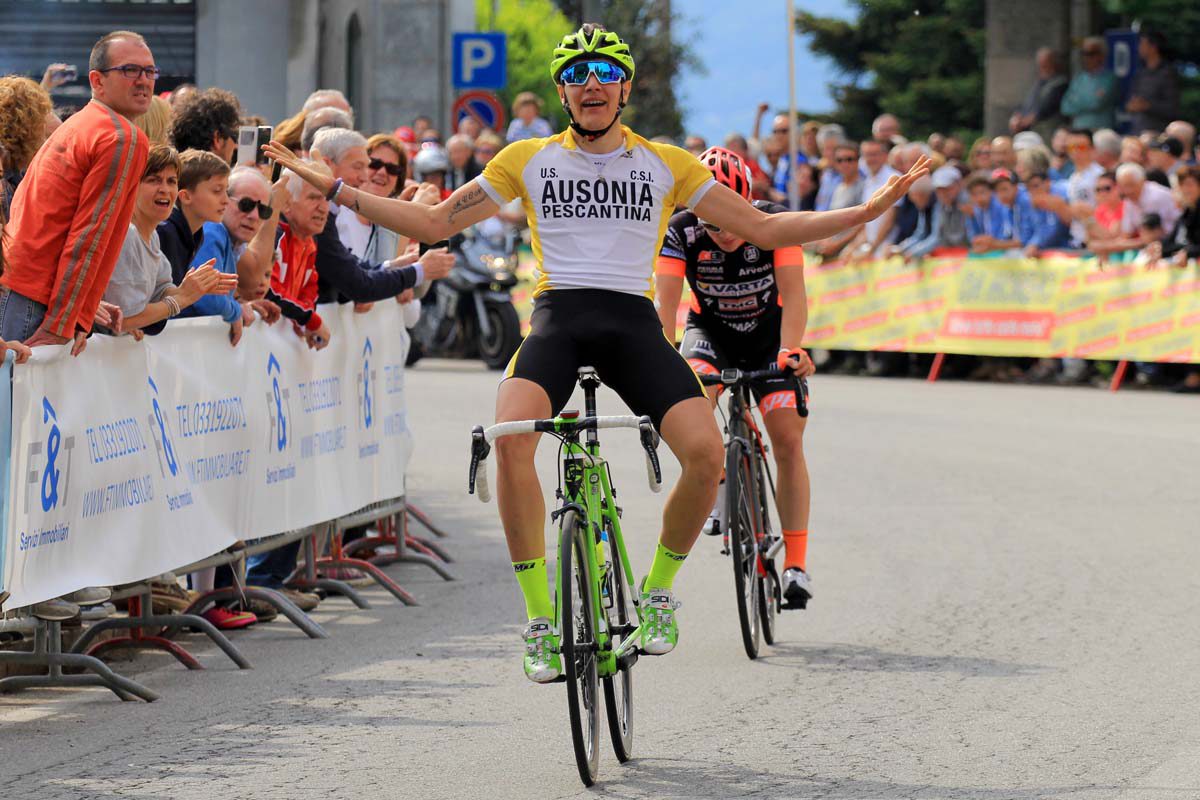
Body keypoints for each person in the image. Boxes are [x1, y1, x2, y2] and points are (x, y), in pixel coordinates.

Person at [263, 22, 927, 683]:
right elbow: (436, 224)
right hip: (558, 319)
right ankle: (542, 621)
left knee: (707, 455)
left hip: (632, 325)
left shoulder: (667, 163)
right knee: (512, 438)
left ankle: (659, 591)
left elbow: (764, 225)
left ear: (625, 88)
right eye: (576, 76)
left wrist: (866, 212)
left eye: (605, 74)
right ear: (560, 91)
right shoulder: (525, 159)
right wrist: (338, 190)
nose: (591, 86)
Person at [654, 146, 815, 609]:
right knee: (688, 407)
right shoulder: (682, 231)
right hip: (711, 334)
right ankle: (717, 478)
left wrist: (792, 350)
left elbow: (794, 295)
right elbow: (665, 306)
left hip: (769, 337)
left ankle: (796, 565)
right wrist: (665, 359)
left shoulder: (774, 221)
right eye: (711, 224)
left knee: (787, 438)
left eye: (732, 222)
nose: (722, 234)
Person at [0, 30, 153, 354]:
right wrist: (64, 321)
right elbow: (90, 237)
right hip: (36, 300)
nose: (143, 80)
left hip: (23, 290)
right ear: (97, 80)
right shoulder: (121, 136)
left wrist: (83, 311)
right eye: (130, 70)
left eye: (149, 70)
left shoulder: (80, 123)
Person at [308, 128, 453, 304]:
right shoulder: (331, 211)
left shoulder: (379, 218)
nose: (382, 172)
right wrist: (413, 212)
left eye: (392, 169)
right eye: (373, 164)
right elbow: (359, 282)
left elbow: (412, 296)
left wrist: (407, 268)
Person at [102, 144, 236, 335]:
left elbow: (161, 291)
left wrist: (192, 289)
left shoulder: (153, 236)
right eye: (154, 180)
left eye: (171, 181)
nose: (164, 189)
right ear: (132, 186)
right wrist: (181, 300)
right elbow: (123, 320)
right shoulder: (128, 235)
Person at [0, 76, 53, 217]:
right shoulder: (8, 188)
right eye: (41, 122)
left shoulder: (14, 173)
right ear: (29, 129)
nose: (45, 134)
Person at [892, 166, 966, 260]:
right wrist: (902, 249)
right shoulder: (940, 205)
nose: (943, 193)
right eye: (939, 189)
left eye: (947, 188)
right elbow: (921, 233)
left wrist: (914, 252)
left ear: (959, 185)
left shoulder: (966, 203)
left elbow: (941, 238)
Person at [169, 87, 240, 165]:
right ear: (218, 139)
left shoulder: (172, 175)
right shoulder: (242, 176)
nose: (236, 145)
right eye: (235, 136)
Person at [1060, 38, 1118, 131]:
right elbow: (1065, 106)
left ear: (1102, 55)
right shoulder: (1078, 79)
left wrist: (1077, 101)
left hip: (1101, 131)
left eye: (1091, 54)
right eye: (1083, 53)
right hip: (1079, 130)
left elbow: (1096, 103)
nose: (1086, 57)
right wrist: (1089, 100)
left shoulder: (1110, 79)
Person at [1127, 31, 1179, 135]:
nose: (1139, 47)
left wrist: (1147, 106)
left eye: (1142, 44)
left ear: (1153, 47)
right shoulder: (1141, 72)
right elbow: (1132, 100)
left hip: (1157, 133)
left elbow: (1172, 108)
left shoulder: (1167, 73)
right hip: (1137, 130)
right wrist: (1131, 105)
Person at [1010, 47, 1067, 138]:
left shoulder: (1059, 83)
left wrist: (1026, 121)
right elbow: (1026, 104)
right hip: (1029, 129)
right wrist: (1017, 117)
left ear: (1053, 63)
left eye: (1045, 63)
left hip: (1046, 130)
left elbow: (1048, 107)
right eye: (1040, 63)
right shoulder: (1037, 82)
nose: (1042, 66)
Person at [1064, 130, 1104, 247]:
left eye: (1081, 147)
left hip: (1094, 240)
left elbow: (1106, 210)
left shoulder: (1099, 175)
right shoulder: (1072, 177)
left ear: (1092, 149)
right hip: (1076, 238)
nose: (1076, 151)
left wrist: (1086, 212)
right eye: (1071, 147)